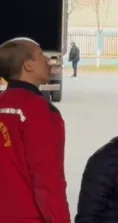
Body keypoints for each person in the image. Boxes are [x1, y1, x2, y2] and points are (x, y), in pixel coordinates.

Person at [0, 37, 70, 223]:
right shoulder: (40, 112)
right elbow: (48, 181)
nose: (47, 60)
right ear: (28, 65)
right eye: (40, 55)